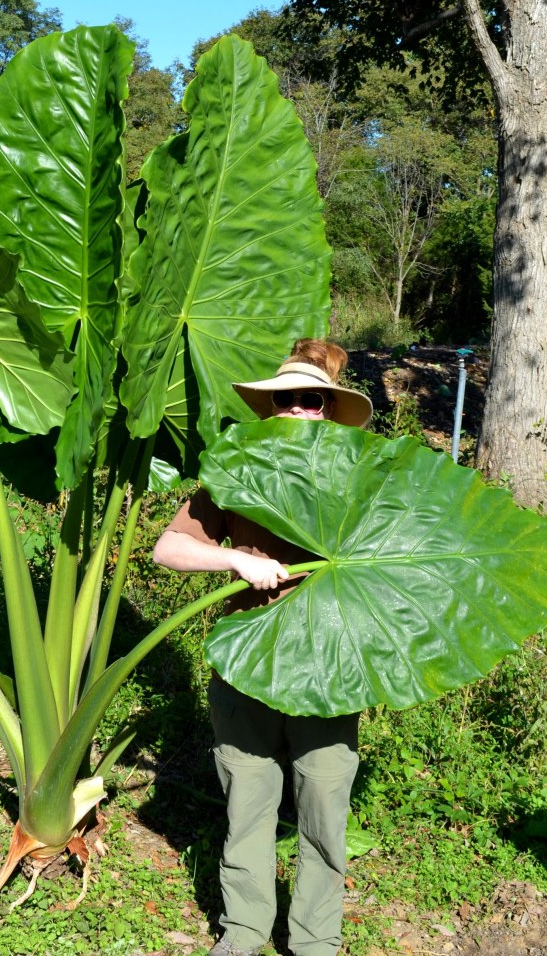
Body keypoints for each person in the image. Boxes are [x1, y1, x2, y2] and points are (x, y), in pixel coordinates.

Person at [152, 338, 373, 956]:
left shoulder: (356, 477)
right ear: (270, 408)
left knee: (323, 798)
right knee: (248, 797)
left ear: (328, 411)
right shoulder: (235, 474)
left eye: (315, 401)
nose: (303, 410)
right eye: (290, 400)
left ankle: (315, 940)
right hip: (249, 661)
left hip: (328, 661)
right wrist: (231, 558)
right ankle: (245, 930)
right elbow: (167, 550)